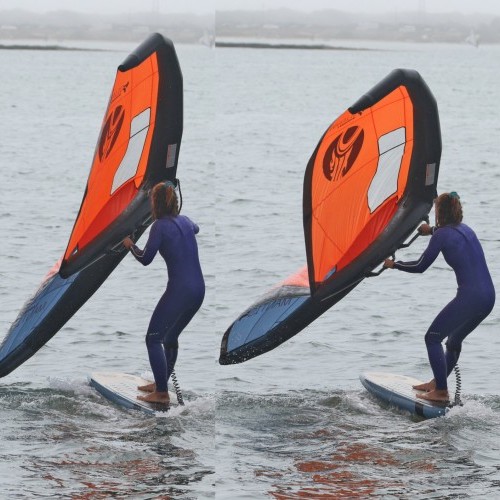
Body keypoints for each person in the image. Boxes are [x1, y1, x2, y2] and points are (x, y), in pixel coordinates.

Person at [384, 192, 495, 402]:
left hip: (470, 298)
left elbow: (420, 266)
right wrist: (430, 231)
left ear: (439, 212)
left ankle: (441, 391)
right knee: (453, 341)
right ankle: (438, 382)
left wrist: (394, 265)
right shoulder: (466, 230)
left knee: (433, 337)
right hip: (488, 298)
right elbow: (447, 233)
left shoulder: (441, 235)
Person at [123, 182, 205, 405]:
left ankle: (161, 393)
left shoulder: (158, 226)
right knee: (170, 338)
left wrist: (130, 244)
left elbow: (145, 259)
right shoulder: (186, 221)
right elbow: (196, 228)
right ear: (174, 201)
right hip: (199, 290)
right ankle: (161, 384)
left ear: (154, 204)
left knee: (153, 338)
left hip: (179, 290)